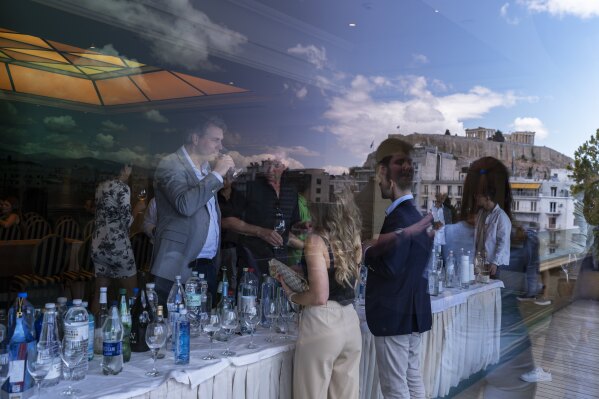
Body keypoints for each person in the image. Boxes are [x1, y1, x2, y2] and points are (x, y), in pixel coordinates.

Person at [363, 138, 434, 399]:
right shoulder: (417, 216)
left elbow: (391, 267)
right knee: (413, 379)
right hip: (413, 312)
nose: (378, 184)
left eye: (379, 179)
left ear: (387, 178)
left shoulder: (398, 218)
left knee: (395, 388)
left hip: (394, 315)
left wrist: (367, 252)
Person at [277, 188, 362, 399]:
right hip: (351, 321)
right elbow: (349, 280)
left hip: (323, 323)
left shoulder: (316, 241)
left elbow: (319, 296)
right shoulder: (353, 238)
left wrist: (292, 295)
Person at [151, 116, 235, 302]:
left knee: (204, 324)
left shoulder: (205, 169)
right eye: (215, 140)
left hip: (207, 265)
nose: (220, 147)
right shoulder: (170, 163)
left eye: (221, 141)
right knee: (172, 325)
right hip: (177, 266)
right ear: (195, 139)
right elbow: (185, 205)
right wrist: (216, 174)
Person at [222, 158, 302, 278]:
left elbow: (292, 228)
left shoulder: (291, 191)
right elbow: (226, 221)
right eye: (267, 165)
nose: (270, 170)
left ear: (284, 166)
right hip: (252, 261)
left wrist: (303, 226)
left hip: (281, 262)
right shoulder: (249, 187)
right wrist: (260, 232)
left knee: (277, 295)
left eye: (275, 165)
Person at [91, 163, 136, 312]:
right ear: (125, 168)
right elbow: (126, 221)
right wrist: (137, 210)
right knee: (131, 294)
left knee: (99, 295)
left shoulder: (100, 187)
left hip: (98, 245)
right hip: (118, 246)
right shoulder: (122, 187)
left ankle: (95, 331)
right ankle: (132, 332)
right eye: (130, 167)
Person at [470, 157, 512, 279]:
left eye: (478, 195)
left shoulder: (501, 217)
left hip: (493, 265)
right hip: (480, 262)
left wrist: (495, 262)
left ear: (487, 197)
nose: (476, 198)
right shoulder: (481, 214)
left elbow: (502, 242)